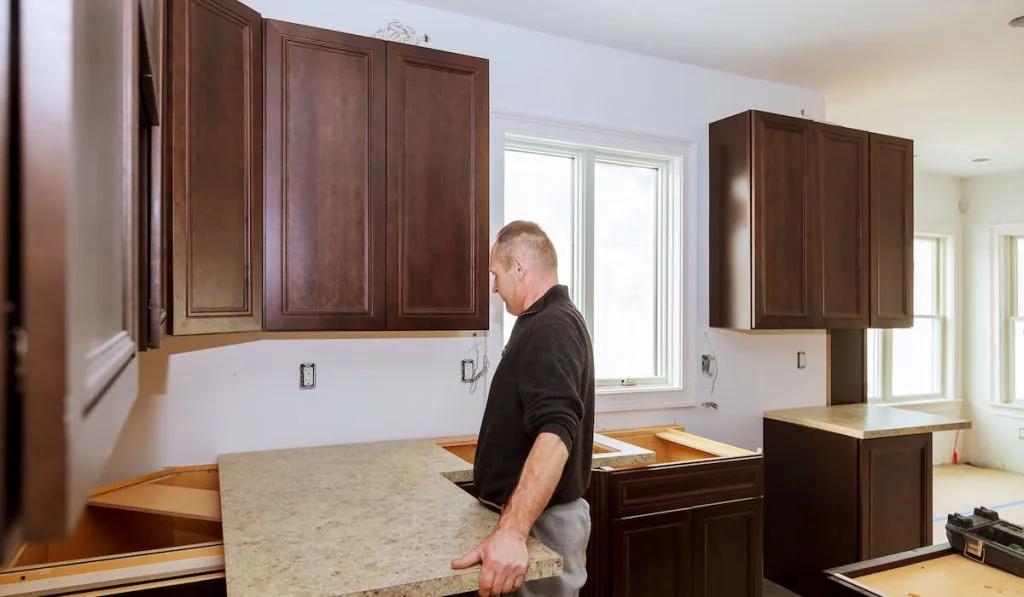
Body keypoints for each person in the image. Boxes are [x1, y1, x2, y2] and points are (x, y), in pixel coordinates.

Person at [451, 220, 596, 597]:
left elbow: (555, 433)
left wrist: (514, 530)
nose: (495, 287)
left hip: (542, 525)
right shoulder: (541, 322)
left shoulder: (552, 326)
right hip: (534, 519)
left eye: (496, 274)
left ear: (519, 267)